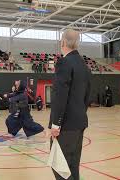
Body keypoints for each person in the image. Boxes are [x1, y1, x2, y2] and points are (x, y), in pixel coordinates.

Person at [48, 29, 91, 180]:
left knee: (59, 167)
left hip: (65, 127)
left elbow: (60, 96)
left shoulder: (64, 63)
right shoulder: (84, 65)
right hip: (79, 123)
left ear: (63, 42)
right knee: (73, 166)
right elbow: (87, 97)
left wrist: (55, 124)